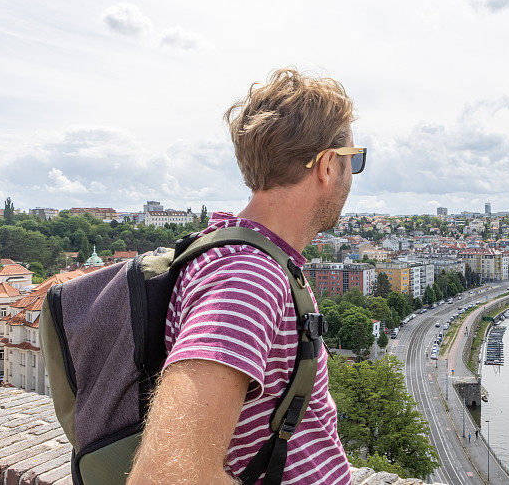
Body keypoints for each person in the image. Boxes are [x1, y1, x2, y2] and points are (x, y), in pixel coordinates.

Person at [128, 68, 365, 485]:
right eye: (354, 160)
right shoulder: (248, 276)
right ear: (328, 166)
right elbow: (164, 476)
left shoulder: (240, 253)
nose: (352, 174)